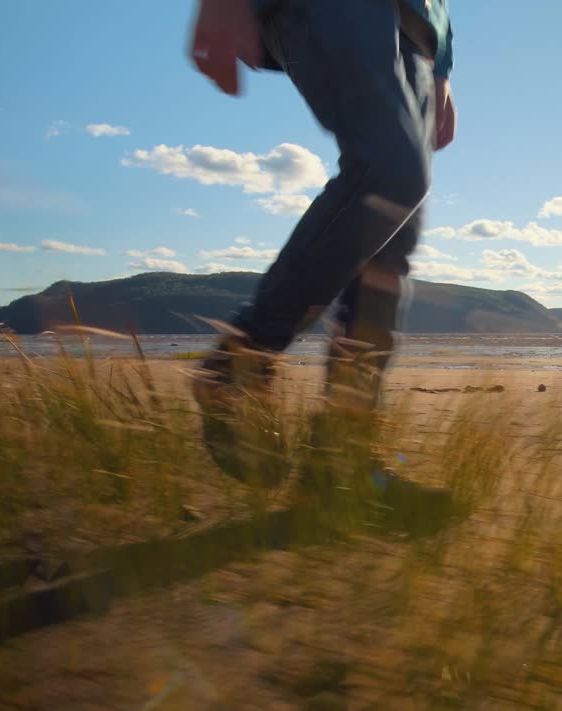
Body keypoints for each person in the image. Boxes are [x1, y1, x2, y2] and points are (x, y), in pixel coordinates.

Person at [187, 0, 456, 487]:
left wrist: (441, 65)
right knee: (389, 174)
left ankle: (342, 464)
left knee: (389, 244)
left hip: (415, 31)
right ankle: (240, 365)